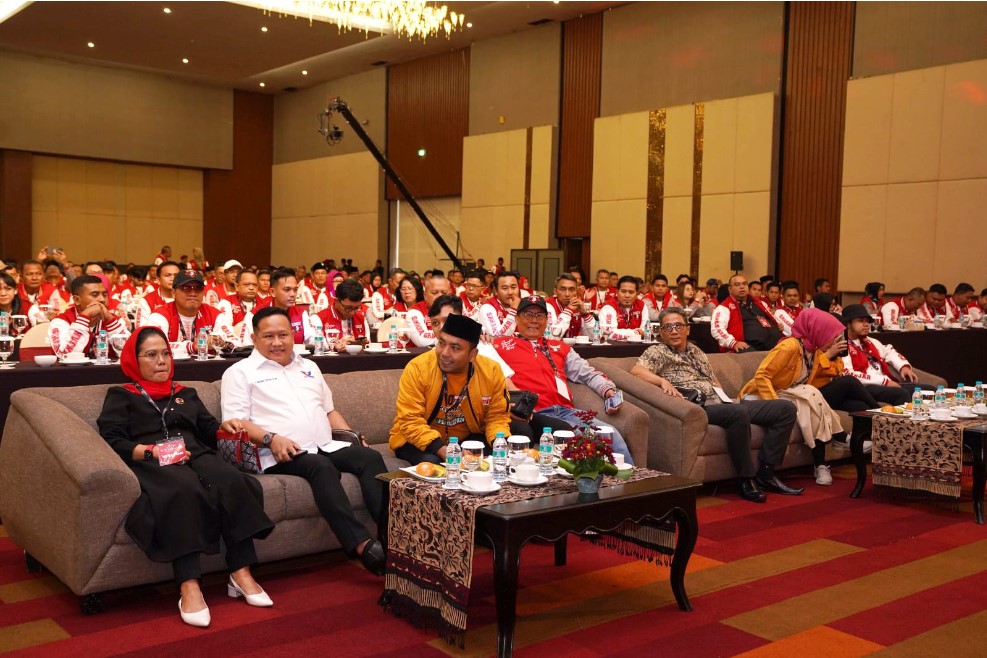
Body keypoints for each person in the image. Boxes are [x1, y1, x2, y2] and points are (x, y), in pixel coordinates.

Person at [97, 327, 274, 627]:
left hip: (196, 454)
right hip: (153, 459)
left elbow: (209, 429)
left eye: (165, 353)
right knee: (183, 490)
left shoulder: (185, 393)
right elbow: (113, 440)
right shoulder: (121, 395)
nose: (161, 361)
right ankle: (189, 584)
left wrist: (225, 428)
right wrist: (151, 452)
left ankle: (240, 571)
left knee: (232, 481)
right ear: (133, 360)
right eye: (151, 355)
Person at [221, 307, 387, 575]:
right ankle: (362, 545)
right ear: (254, 338)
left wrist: (354, 438)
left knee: (369, 457)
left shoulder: (309, 366)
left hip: (324, 445)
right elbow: (236, 423)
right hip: (276, 452)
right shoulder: (240, 372)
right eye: (269, 336)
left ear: (293, 334)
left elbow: (329, 411)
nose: (277, 342)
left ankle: (392, 537)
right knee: (320, 467)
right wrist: (271, 439)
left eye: (283, 335)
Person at [630, 308, 802, 502]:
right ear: (661, 332)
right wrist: (662, 381)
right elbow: (636, 371)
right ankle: (746, 479)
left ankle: (767, 473)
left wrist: (726, 398)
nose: (674, 331)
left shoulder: (696, 350)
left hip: (722, 403)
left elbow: (713, 380)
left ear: (688, 329)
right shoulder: (657, 351)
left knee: (785, 409)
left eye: (678, 326)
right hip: (698, 407)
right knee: (737, 412)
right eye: (667, 327)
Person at [739, 308, 879, 486]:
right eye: (831, 336)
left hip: (791, 393)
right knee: (809, 393)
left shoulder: (815, 352)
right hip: (760, 396)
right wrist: (774, 404)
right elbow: (762, 376)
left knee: (810, 397)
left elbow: (824, 377)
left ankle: (823, 462)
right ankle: (840, 439)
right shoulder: (789, 346)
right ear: (818, 332)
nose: (833, 342)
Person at [493, 295, 634, 464]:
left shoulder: (560, 347)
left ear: (547, 320)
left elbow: (588, 373)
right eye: (528, 315)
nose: (534, 320)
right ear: (517, 318)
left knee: (610, 434)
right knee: (579, 439)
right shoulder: (500, 345)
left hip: (566, 411)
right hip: (535, 414)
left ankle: (631, 478)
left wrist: (608, 390)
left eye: (539, 315)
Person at [390, 314, 510, 464]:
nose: (444, 353)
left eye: (455, 348)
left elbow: (497, 417)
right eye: (441, 343)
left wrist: (500, 445)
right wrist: (442, 449)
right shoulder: (418, 368)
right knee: (433, 462)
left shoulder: (491, 371)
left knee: (505, 447)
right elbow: (410, 420)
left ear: (472, 355)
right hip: (415, 438)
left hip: (463, 438)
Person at [840, 304, 921, 405]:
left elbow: (889, 352)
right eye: (861, 321)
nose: (866, 324)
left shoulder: (871, 341)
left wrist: (904, 366)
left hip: (884, 383)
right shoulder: (842, 346)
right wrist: (884, 382)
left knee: (928, 390)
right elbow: (848, 374)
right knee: (901, 394)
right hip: (864, 387)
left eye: (867, 321)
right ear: (848, 324)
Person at [146, 271, 235, 357]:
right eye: (186, 288)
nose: (193, 293)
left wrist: (222, 344)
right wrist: (192, 346)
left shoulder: (214, 314)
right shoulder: (160, 315)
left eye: (198, 288)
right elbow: (154, 346)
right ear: (173, 293)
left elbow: (235, 342)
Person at [49, 275, 130, 359]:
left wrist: (110, 321)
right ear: (77, 300)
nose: (102, 299)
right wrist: (84, 316)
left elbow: (129, 352)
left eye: (104, 294)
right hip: (73, 368)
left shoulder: (115, 320)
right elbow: (65, 356)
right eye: (95, 295)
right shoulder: (60, 322)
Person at [711, 274, 782, 353]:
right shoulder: (723, 307)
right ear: (730, 289)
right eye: (737, 284)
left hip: (775, 344)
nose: (742, 287)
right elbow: (717, 329)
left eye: (744, 284)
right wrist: (733, 343)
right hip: (749, 348)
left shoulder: (760, 303)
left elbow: (770, 319)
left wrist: (777, 325)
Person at [314, 279, 370, 348]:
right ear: (336, 301)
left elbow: (368, 346)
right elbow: (317, 347)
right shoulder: (319, 319)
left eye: (356, 308)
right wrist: (335, 346)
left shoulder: (361, 319)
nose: (352, 312)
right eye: (348, 308)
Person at [217, 269, 269, 347]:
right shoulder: (226, 302)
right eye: (247, 284)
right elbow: (223, 327)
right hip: (236, 348)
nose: (251, 288)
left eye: (254, 285)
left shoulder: (264, 303)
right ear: (236, 286)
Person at [546, 273, 596, 339]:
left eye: (571, 289)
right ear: (555, 292)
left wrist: (585, 314)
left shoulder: (578, 305)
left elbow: (594, 337)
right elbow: (552, 337)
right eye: (563, 289)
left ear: (576, 291)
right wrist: (569, 310)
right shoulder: (548, 305)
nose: (567, 294)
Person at [406, 275, 452, 347]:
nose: (440, 296)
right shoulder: (414, 312)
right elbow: (421, 339)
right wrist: (452, 336)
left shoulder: (455, 309)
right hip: (422, 353)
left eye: (444, 293)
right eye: (434, 292)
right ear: (425, 295)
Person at [137, 261, 181, 327]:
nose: (172, 279)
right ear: (158, 280)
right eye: (167, 275)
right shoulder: (146, 301)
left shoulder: (187, 298)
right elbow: (142, 329)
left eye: (176, 275)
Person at [479, 270, 521, 337]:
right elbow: (497, 336)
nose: (510, 292)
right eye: (505, 288)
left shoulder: (526, 305)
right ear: (495, 291)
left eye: (513, 287)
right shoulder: (487, 308)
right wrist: (513, 311)